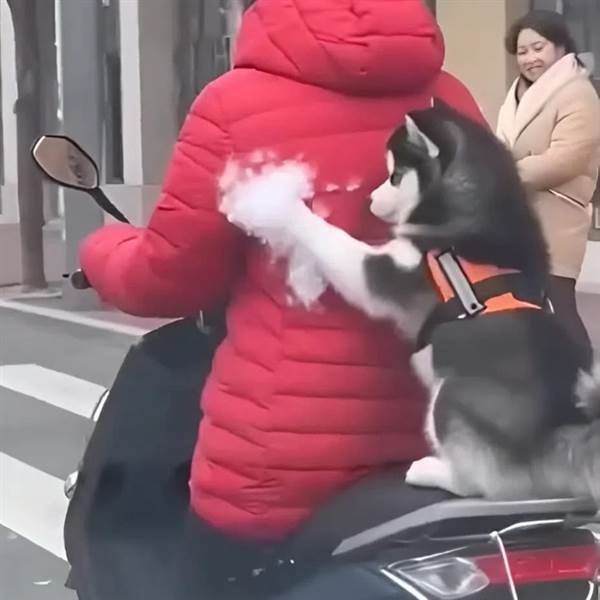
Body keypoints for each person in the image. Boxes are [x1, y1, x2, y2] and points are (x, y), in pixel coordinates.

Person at [79, 0, 484, 580]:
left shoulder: (233, 106)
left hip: (278, 470)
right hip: (444, 441)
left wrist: (102, 249)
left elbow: (166, 280)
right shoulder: (450, 98)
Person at [498, 10, 600, 369]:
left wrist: (502, 173)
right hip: (521, 214)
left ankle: (585, 377)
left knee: (558, 299)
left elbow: (566, 159)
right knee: (528, 301)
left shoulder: (578, 92)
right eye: (522, 51)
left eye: (538, 48)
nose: (529, 58)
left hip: (559, 215)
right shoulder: (517, 94)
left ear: (560, 47)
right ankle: (547, 376)